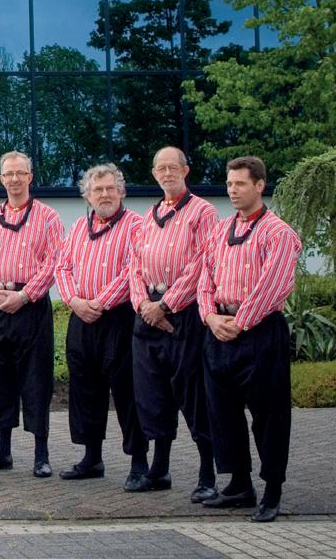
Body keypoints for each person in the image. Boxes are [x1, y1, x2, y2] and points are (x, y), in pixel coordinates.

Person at [196, 155, 301, 524]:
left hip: (259, 333)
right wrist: (210, 317)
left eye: (240, 183)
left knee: (268, 416)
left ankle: (272, 490)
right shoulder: (218, 231)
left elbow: (271, 286)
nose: (233, 190)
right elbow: (204, 279)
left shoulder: (279, 233)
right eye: (229, 184)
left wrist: (238, 323)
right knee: (222, 413)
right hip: (219, 330)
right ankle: (239, 484)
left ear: (259, 185)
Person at [129, 146, 220, 501]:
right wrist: (144, 305)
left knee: (193, 396)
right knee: (154, 396)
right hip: (148, 315)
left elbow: (202, 263)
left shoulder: (203, 212)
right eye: (161, 169)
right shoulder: (147, 217)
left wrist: (167, 305)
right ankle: (159, 469)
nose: (167, 174)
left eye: (173, 167)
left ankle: (207, 474)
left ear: (185, 171)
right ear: (154, 174)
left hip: (184, 315)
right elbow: (134, 266)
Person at [0, 150, 64, 477]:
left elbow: (54, 262)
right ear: (1, 179)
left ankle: (41, 453)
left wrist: (24, 295)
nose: (14, 179)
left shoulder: (49, 217)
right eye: (8, 174)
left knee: (35, 380)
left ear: (30, 177)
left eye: (20, 173)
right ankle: (2, 451)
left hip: (30, 306)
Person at [55, 163, 147, 488]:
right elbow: (62, 268)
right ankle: (91, 458)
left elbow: (133, 270)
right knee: (85, 390)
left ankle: (139, 463)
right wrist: (75, 301)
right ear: (87, 196)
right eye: (98, 190)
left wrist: (100, 303)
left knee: (127, 391)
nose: (104, 194)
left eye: (110, 188)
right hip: (81, 318)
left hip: (119, 318)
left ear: (121, 191)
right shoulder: (78, 227)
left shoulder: (137, 225)